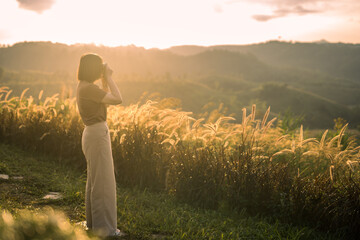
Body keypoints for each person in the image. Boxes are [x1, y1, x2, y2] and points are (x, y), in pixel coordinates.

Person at [76, 53, 125, 237]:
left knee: (95, 181)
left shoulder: (85, 87)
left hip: (91, 133)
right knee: (103, 182)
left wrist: (104, 78)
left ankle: (93, 224)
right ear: (92, 68)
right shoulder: (89, 89)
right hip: (97, 134)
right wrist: (110, 77)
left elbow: (106, 97)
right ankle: (105, 230)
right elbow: (117, 99)